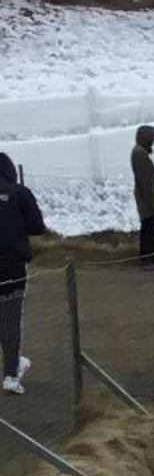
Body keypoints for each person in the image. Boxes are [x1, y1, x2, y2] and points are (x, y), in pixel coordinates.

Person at [0, 153, 48, 396]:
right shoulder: (19, 193)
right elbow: (37, 226)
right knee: (10, 318)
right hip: (12, 265)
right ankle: (11, 373)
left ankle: (14, 364)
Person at [131, 123, 154, 268]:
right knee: (148, 229)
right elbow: (145, 181)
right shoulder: (140, 154)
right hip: (147, 200)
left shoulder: (140, 152)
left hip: (148, 198)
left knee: (151, 228)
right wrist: (152, 203)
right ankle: (146, 258)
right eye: (153, 137)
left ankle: (150, 256)